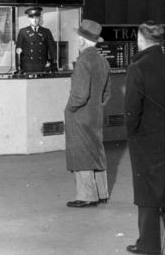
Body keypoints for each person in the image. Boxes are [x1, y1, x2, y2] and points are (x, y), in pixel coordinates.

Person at [125, 22, 165, 255]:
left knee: (148, 193)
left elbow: (132, 109)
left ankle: (149, 244)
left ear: (141, 39)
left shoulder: (137, 68)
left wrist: (132, 133)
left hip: (146, 140)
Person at [64, 19, 111, 208]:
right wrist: (96, 107)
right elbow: (107, 93)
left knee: (82, 153)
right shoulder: (103, 61)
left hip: (80, 115)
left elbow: (79, 95)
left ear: (82, 41)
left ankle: (86, 196)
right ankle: (102, 193)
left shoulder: (83, 61)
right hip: (96, 114)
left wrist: (70, 108)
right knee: (96, 152)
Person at [15, 6, 57, 74]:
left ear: (40, 18)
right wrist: (19, 67)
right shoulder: (23, 32)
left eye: (36, 17)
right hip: (28, 67)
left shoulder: (46, 32)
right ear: (29, 18)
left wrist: (53, 65)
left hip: (43, 66)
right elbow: (18, 50)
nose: (34, 20)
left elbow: (53, 50)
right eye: (32, 17)